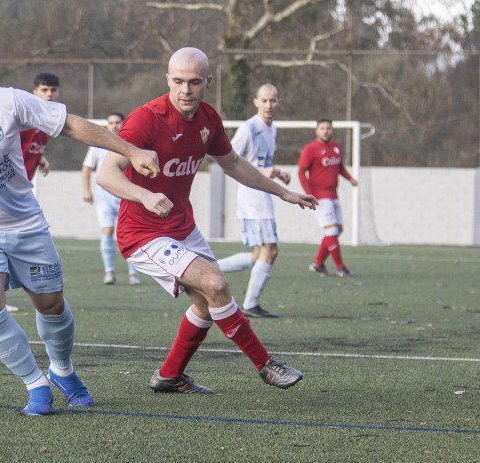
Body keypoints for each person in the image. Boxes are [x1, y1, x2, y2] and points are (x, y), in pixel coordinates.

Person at [0, 33, 159, 416]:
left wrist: (131, 150)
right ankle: (36, 384)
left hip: (24, 223)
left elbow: (70, 125)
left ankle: (63, 371)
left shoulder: (6, 101)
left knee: (51, 304)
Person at [96, 47, 317, 394]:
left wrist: (283, 192)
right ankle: (265, 365)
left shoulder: (208, 120)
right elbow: (106, 174)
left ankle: (169, 376)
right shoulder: (146, 118)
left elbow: (233, 164)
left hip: (183, 227)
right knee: (215, 283)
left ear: (208, 82)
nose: (186, 90)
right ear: (168, 79)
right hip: (143, 234)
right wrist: (145, 195)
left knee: (204, 301)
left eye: (195, 82)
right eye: (179, 81)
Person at [214, 84, 292, 318]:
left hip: (264, 195)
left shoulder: (272, 129)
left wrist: (276, 172)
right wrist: (260, 173)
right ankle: (250, 303)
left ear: (278, 102)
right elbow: (228, 160)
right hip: (252, 198)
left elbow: (260, 164)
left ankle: (209, 270)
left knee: (259, 255)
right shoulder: (248, 129)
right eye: (265, 100)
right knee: (271, 250)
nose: (269, 105)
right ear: (256, 102)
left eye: (273, 100)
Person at [82, 112, 141, 286]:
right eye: (111, 122)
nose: (114, 126)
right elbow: (87, 167)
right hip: (104, 194)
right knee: (107, 230)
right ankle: (109, 271)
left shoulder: (131, 144)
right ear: (107, 125)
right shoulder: (98, 144)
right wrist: (86, 190)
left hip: (126, 193)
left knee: (130, 232)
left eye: (117, 122)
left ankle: (133, 273)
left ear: (123, 124)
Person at [298, 118, 358, 277]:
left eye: (328, 128)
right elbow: (301, 172)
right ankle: (341, 267)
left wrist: (350, 178)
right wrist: (309, 194)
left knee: (337, 230)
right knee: (331, 230)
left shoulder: (336, 147)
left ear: (332, 130)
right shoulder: (310, 149)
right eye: (322, 128)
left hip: (333, 195)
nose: (326, 131)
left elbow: (339, 167)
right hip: (320, 197)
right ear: (317, 131)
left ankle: (318, 263)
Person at [19, 72, 58, 181]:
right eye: (44, 90)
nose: (50, 94)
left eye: (53, 90)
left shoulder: (46, 121)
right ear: (35, 93)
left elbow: (27, 146)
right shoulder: (26, 119)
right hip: (9, 185)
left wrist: (39, 157)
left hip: (23, 184)